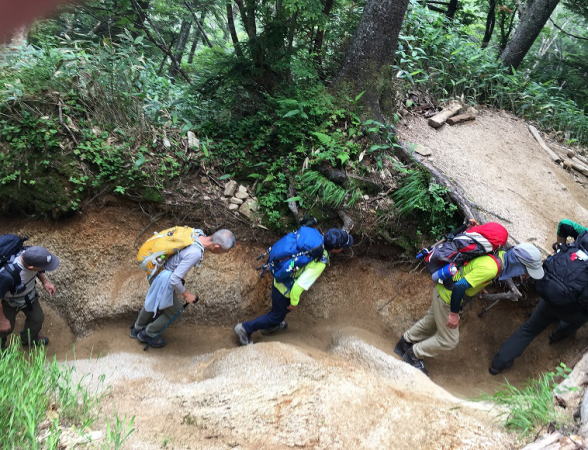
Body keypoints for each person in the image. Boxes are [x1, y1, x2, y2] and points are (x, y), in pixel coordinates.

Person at [394, 243, 544, 374]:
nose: (524, 274)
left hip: (443, 290)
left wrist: (478, 287)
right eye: (525, 269)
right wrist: (453, 313)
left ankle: (404, 343)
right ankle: (413, 354)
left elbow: (471, 273)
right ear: (518, 263)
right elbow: (460, 286)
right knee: (449, 340)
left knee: (431, 321)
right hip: (448, 298)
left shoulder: (500, 255)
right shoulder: (492, 268)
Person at [489, 231, 588, 375]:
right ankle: (558, 336)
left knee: (529, 329)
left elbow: (564, 225)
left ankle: (497, 365)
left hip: (549, 293)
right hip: (569, 307)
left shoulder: (581, 241)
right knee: (581, 318)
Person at [234, 228, 353, 345]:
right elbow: (298, 286)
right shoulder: (320, 261)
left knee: (279, 312)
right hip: (285, 289)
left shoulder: (313, 236)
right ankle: (245, 329)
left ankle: (273, 325)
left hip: (280, 276)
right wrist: (294, 303)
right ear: (335, 249)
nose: (343, 249)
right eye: (342, 247)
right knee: (276, 316)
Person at [130, 228, 236, 348]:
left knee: (154, 299)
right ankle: (148, 334)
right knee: (174, 310)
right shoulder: (195, 252)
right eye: (224, 251)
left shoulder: (196, 233)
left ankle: (136, 328)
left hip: (157, 270)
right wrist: (187, 294)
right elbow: (174, 279)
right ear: (217, 246)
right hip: (163, 278)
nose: (222, 254)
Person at [0, 246, 60, 348]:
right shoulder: (7, 276)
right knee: (5, 328)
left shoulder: (29, 255)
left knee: (37, 319)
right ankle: (1, 346)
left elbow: (39, 270)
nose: (45, 268)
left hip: (29, 297)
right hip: (9, 302)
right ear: (31, 267)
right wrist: (2, 320)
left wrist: (45, 282)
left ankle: (28, 340)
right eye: (43, 266)